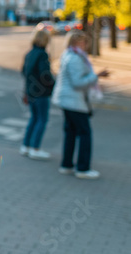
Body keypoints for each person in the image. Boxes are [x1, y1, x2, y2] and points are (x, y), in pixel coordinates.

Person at [52, 31, 109, 179]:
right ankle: (82, 168)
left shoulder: (69, 54)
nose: (85, 45)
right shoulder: (75, 58)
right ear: (76, 43)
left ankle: (67, 164)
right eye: (83, 42)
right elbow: (78, 83)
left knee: (70, 132)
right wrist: (95, 76)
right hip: (74, 101)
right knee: (85, 134)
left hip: (68, 100)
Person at [20, 29, 55, 160]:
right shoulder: (42, 55)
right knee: (42, 119)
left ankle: (25, 146)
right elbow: (45, 75)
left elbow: (24, 72)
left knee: (33, 118)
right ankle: (35, 148)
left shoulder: (29, 54)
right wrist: (53, 84)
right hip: (41, 93)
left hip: (30, 91)